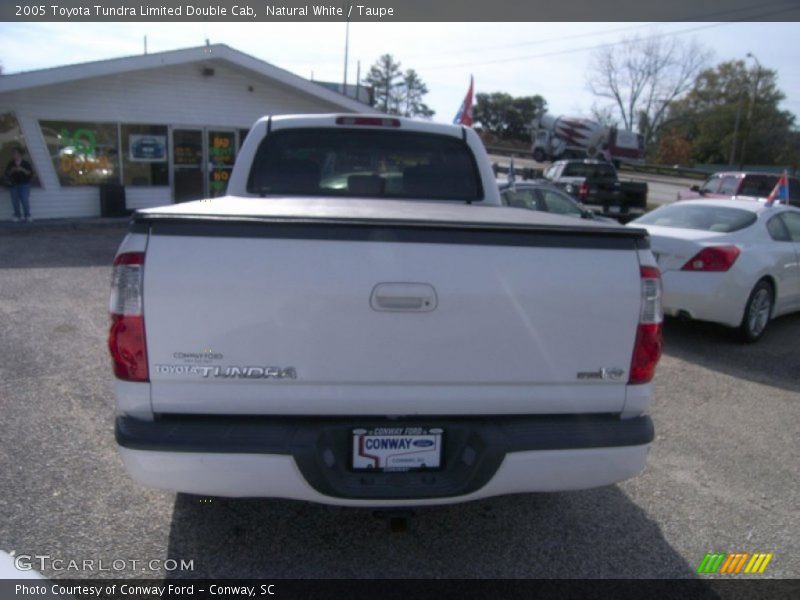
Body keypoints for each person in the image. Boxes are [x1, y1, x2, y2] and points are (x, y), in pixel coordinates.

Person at [5, 147, 34, 222]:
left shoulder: (25, 163)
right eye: (14, 154)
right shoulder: (11, 163)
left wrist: (22, 169)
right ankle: (17, 215)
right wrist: (13, 170)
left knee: (24, 200)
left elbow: (30, 173)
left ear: (20, 155)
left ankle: (27, 215)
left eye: (16, 153)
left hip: (24, 184)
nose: (15, 155)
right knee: (15, 200)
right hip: (14, 184)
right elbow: (7, 173)